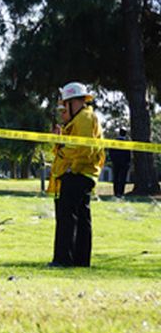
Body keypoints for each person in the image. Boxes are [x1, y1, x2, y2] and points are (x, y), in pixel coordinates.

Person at [49, 82, 104, 268]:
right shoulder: (78, 119)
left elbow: (85, 148)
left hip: (78, 173)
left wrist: (74, 168)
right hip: (81, 173)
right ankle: (80, 261)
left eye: (65, 104)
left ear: (73, 101)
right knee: (81, 217)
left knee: (67, 216)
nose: (63, 108)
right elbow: (69, 147)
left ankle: (63, 259)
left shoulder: (85, 118)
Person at [109, 128, 131, 198]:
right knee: (122, 179)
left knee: (115, 178)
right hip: (124, 163)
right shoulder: (126, 143)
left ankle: (115, 193)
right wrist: (128, 162)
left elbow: (110, 152)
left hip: (116, 163)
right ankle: (121, 193)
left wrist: (113, 160)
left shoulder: (114, 142)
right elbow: (128, 154)